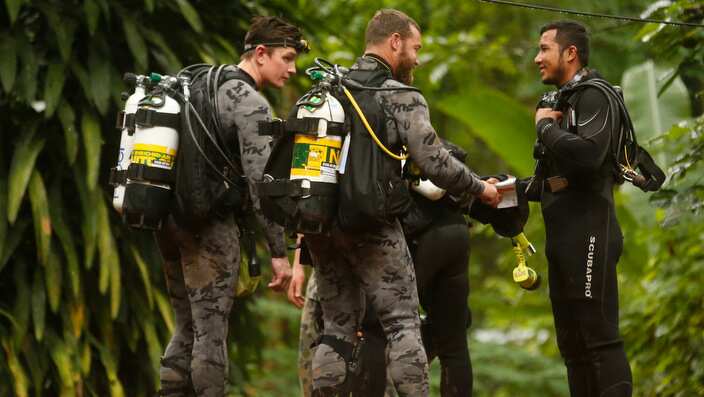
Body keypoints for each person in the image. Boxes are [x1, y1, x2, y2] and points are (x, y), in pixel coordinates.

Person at [300, 9, 500, 397]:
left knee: (337, 329)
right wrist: (479, 189)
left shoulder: (326, 91)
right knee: (402, 324)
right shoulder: (399, 95)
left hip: (322, 226)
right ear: (395, 43)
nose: (418, 58)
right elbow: (434, 161)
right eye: (416, 48)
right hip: (373, 226)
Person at [155, 16, 307, 396]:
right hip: (209, 227)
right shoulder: (250, 103)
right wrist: (278, 253)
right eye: (286, 58)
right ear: (259, 54)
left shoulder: (201, 83)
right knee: (210, 332)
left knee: (186, 326)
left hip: (170, 222)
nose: (293, 69)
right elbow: (263, 184)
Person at [291, 140, 478, 397]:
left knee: (374, 328)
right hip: (455, 231)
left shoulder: (350, 131)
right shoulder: (402, 126)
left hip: (409, 234)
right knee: (454, 344)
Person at [532, 21, 632, 396]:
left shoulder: (595, 95)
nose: (537, 58)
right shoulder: (562, 101)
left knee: (600, 341)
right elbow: (555, 182)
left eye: (544, 49)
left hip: (592, 230)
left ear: (569, 53)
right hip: (562, 238)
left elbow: (591, 157)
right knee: (572, 347)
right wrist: (499, 188)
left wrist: (544, 130)